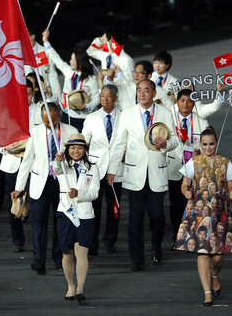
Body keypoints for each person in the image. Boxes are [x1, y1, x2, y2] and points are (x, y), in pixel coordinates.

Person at [107, 79, 179, 271]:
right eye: (139, 90)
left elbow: (175, 141)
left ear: (154, 93)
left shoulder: (165, 112)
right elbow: (119, 143)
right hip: (134, 173)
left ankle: (156, 248)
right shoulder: (128, 114)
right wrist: (112, 169)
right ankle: (136, 258)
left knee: (156, 216)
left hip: (157, 171)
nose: (142, 94)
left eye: (146, 90)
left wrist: (166, 145)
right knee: (135, 219)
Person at [12, 102, 78, 275]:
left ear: (59, 116)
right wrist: (19, 187)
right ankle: (39, 260)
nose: (49, 124)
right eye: (46, 121)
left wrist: (64, 159)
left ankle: (59, 258)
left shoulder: (71, 131)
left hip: (62, 182)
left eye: (52, 121)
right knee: (39, 223)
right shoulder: (34, 133)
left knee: (61, 222)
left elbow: (78, 158)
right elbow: (26, 161)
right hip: (40, 183)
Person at [178, 126, 232, 306]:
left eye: (211, 144)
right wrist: (186, 193)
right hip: (197, 212)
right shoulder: (193, 163)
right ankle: (207, 293)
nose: (208, 147)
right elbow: (184, 185)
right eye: (204, 144)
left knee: (218, 257)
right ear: (201, 144)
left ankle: (215, 275)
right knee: (203, 252)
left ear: (216, 143)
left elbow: (231, 187)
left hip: (220, 213)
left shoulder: (225, 162)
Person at [0, 79, 43, 252]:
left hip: (35, 162)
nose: (26, 97)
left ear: (34, 93)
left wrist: (29, 145)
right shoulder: (8, 110)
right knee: (14, 201)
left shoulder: (41, 111)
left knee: (35, 199)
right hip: (12, 160)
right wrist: (4, 146)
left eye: (29, 94)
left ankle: (38, 240)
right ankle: (18, 240)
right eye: (22, 94)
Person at [54, 134, 99, 303]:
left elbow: (94, 193)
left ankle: (80, 288)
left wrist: (79, 194)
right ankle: (70, 286)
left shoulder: (93, 167)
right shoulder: (63, 165)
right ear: (67, 150)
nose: (76, 151)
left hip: (85, 215)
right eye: (72, 147)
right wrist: (58, 160)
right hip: (65, 213)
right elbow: (56, 169)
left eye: (80, 147)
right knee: (67, 253)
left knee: (82, 252)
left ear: (85, 149)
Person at [81, 85, 124, 255]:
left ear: (116, 98)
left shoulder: (124, 117)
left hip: (116, 168)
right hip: (96, 169)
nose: (105, 99)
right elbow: (83, 141)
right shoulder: (91, 118)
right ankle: (92, 243)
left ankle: (110, 240)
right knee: (94, 207)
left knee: (114, 207)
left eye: (109, 96)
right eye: (103, 96)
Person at [166, 89, 211, 242]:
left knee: (191, 203)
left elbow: (209, 145)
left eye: (189, 101)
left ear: (194, 103)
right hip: (174, 166)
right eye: (182, 100)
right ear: (177, 102)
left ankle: (191, 233)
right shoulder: (169, 121)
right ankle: (176, 233)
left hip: (194, 168)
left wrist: (201, 152)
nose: (185, 104)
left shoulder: (202, 122)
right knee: (175, 203)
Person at [42, 29, 99, 132]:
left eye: (72, 59)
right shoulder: (69, 72)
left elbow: (96, 98)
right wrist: (46, 41)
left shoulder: (91, 79)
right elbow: (57, 60)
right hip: (67, 115)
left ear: (79, 62)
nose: (70, 61)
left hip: (84, 117)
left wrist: (87, 106)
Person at [104, 60, 173, 110]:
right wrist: (110, 78)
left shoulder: (160, 92)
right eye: (135, 72)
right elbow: (109, 90)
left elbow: (171, 110)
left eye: (140, 73)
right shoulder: (125, 86)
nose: (136, 75)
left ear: (149, 76)